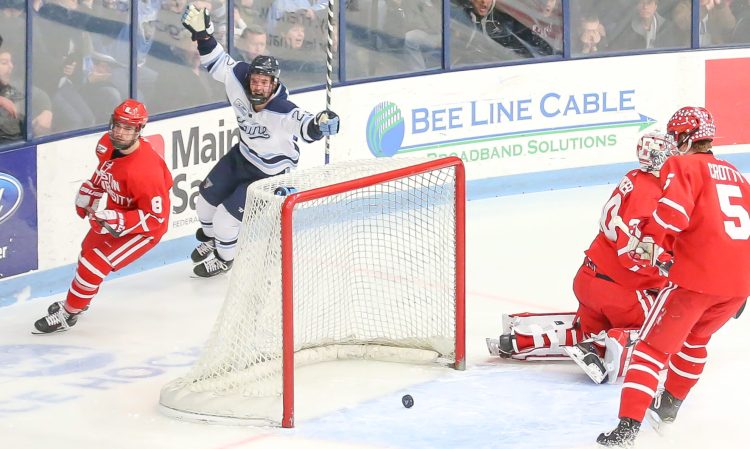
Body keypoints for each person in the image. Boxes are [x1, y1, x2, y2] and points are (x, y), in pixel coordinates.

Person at [597, 106, 750, 446]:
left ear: (684, 137)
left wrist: (654, 246)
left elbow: (671, 215)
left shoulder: (681, 165)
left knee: (650, 350)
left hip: (696, 280)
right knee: (695, 342)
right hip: (739, 285)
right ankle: (667, 409)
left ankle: (626, 430)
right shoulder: (737, 175)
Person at [487, 132, 678, 384]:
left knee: (585, 329)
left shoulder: (633, 177)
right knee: (667, 333)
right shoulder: (650, 193)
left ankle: (521, 340)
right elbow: (629, 250)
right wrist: (667, 264)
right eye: (671, 154)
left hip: (589, 279)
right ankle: (602, 345)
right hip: (620, 292)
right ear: (659, 158)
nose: (676, 159)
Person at [181, 3, 340, 277]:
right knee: (203, 204)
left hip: (269, 175)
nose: (257, 86)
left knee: (225, 223)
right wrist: (202, 36)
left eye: (264, 82)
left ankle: (223, 259)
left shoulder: (283, 110)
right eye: (255, 80)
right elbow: (217, 60)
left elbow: (307, 127)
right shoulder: (239, 78)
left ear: (274, 83)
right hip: (242, 157)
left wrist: (321, 125)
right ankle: (210, 241)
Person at [33, 99, 173, 333]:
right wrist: (93, 188)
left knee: (94, 263)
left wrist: (119, 220)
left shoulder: (145, 171)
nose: (120, 132)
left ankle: (69, 314)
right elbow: (106, 168)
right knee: (88, 249)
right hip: (117, 211)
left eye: (128, 128)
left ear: (139, 131)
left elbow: (155, 218)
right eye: (117, 124)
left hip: (145, 230)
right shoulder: (105, 143)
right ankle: (80, 301)